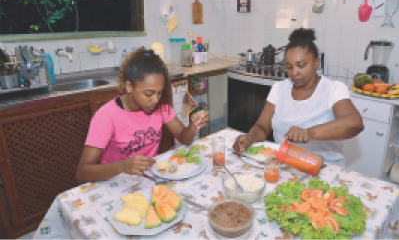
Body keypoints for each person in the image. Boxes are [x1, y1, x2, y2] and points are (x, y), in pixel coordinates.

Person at [233, 28, 364, 166]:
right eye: (289, 67)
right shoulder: (279, 89)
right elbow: (262, 127)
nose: (294, 72)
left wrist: (310, 133)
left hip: (324, 168)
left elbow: (355, 123)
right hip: (284, 165)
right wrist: (250, 138)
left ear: (316, 63)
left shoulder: (333, 89)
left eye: (301, 66)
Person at [76, 49, 209, 182]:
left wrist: (192, 126)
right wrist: (122, 166)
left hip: (150, 178)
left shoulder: (160, 106)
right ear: (129, 86)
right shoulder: (106, 117)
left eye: (160, 93)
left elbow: (183, 138)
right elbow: (82, 173)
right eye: (149, 94)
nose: (156, 100)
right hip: (117, 182)